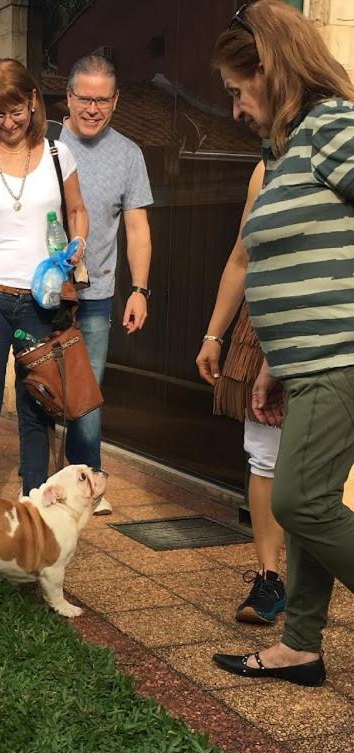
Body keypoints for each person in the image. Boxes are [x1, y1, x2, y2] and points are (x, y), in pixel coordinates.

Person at [210, 0, 354, 687]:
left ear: (270, 71)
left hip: (340, 356)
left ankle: (299, 640)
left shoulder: (334, 127)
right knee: (307, 500)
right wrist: (273, 359)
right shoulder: (289, 150)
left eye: (238, 91)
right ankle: (299, 645)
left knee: (300, 503)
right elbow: (290, 260)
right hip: (306, 361)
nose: (236, 108)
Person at [0, 58, 88, 496]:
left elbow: (77, 210)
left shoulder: (58, 154)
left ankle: (35, 506)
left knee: (36, 408)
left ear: (32, 102)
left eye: (15, 111)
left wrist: (78, 241)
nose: (8, 123)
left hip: (40, 300)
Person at [58, 54, 153, 515]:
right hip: (41, 292)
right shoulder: (44, 144)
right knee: (40, 388)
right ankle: (39, 479)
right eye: (84, 98)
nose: (92, 109)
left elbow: (137, 229)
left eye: (102, 100)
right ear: (68, 97)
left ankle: (88, 480)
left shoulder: (129, 155)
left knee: (88, 392)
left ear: (116, 101)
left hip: (96, 295)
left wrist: (139, 289)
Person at [196, 160, 286, 624]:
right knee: (264, 455)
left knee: (318, 465)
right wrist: (214, 334)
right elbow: (241, 256)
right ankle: (271, 578)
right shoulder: (265, 168)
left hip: (328, 322)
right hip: (261, 323)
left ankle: (312, 580)